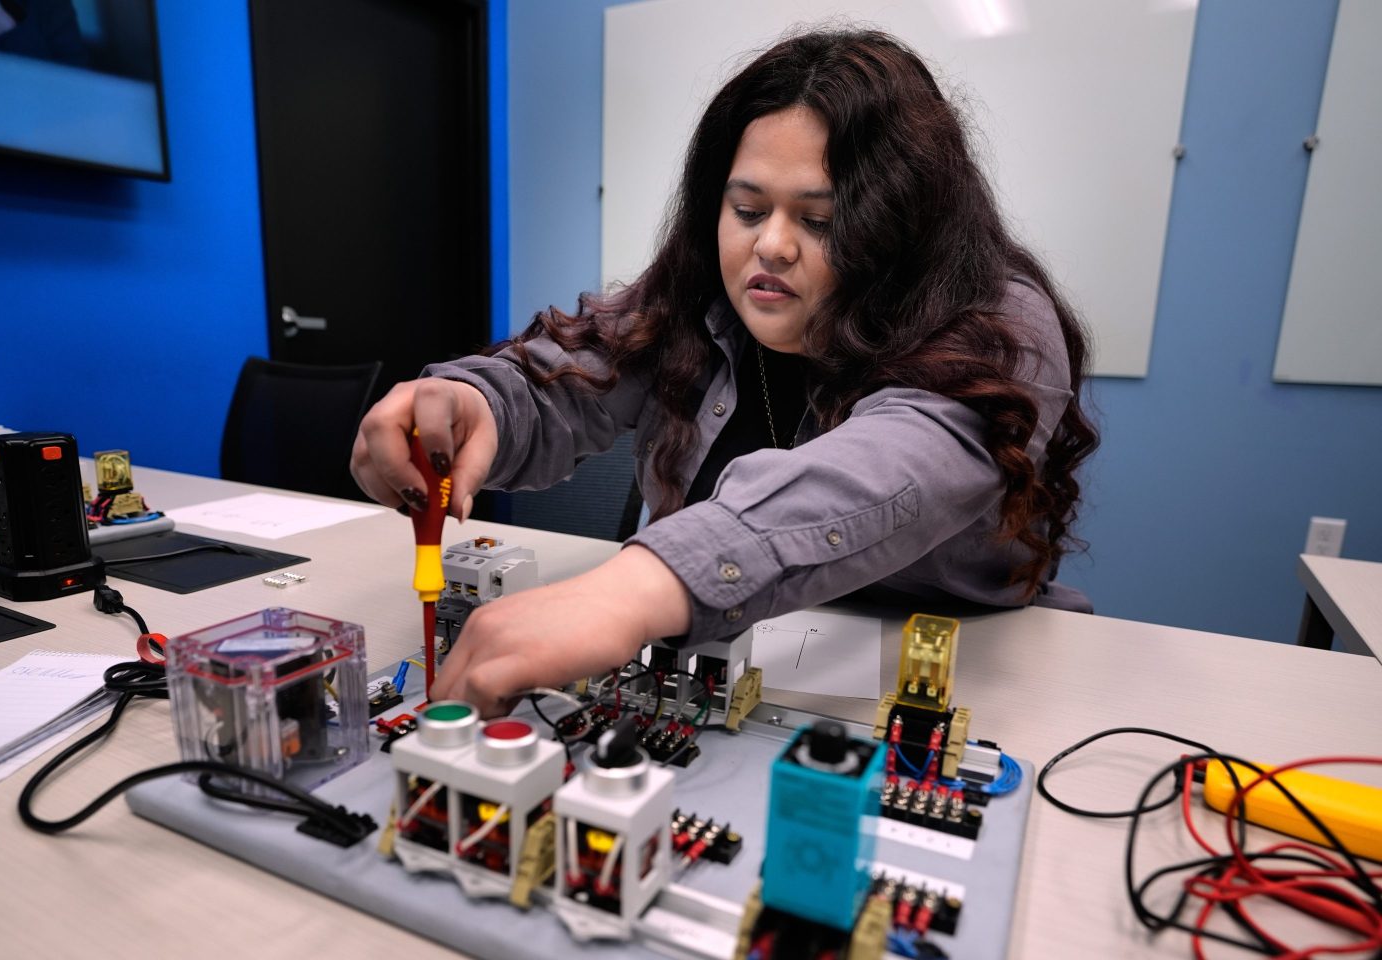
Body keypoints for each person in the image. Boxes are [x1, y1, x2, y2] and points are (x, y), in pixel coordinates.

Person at [351, 28, 1099, 716]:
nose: (771, 246)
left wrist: (634, 590)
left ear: (904, 227)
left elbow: (893, 470)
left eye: (820, 220)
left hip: (951, 683)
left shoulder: (1003, 322)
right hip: (720, 673)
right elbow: (566, 379)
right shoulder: (697, 295)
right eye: (747, 210)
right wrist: (476, 400)